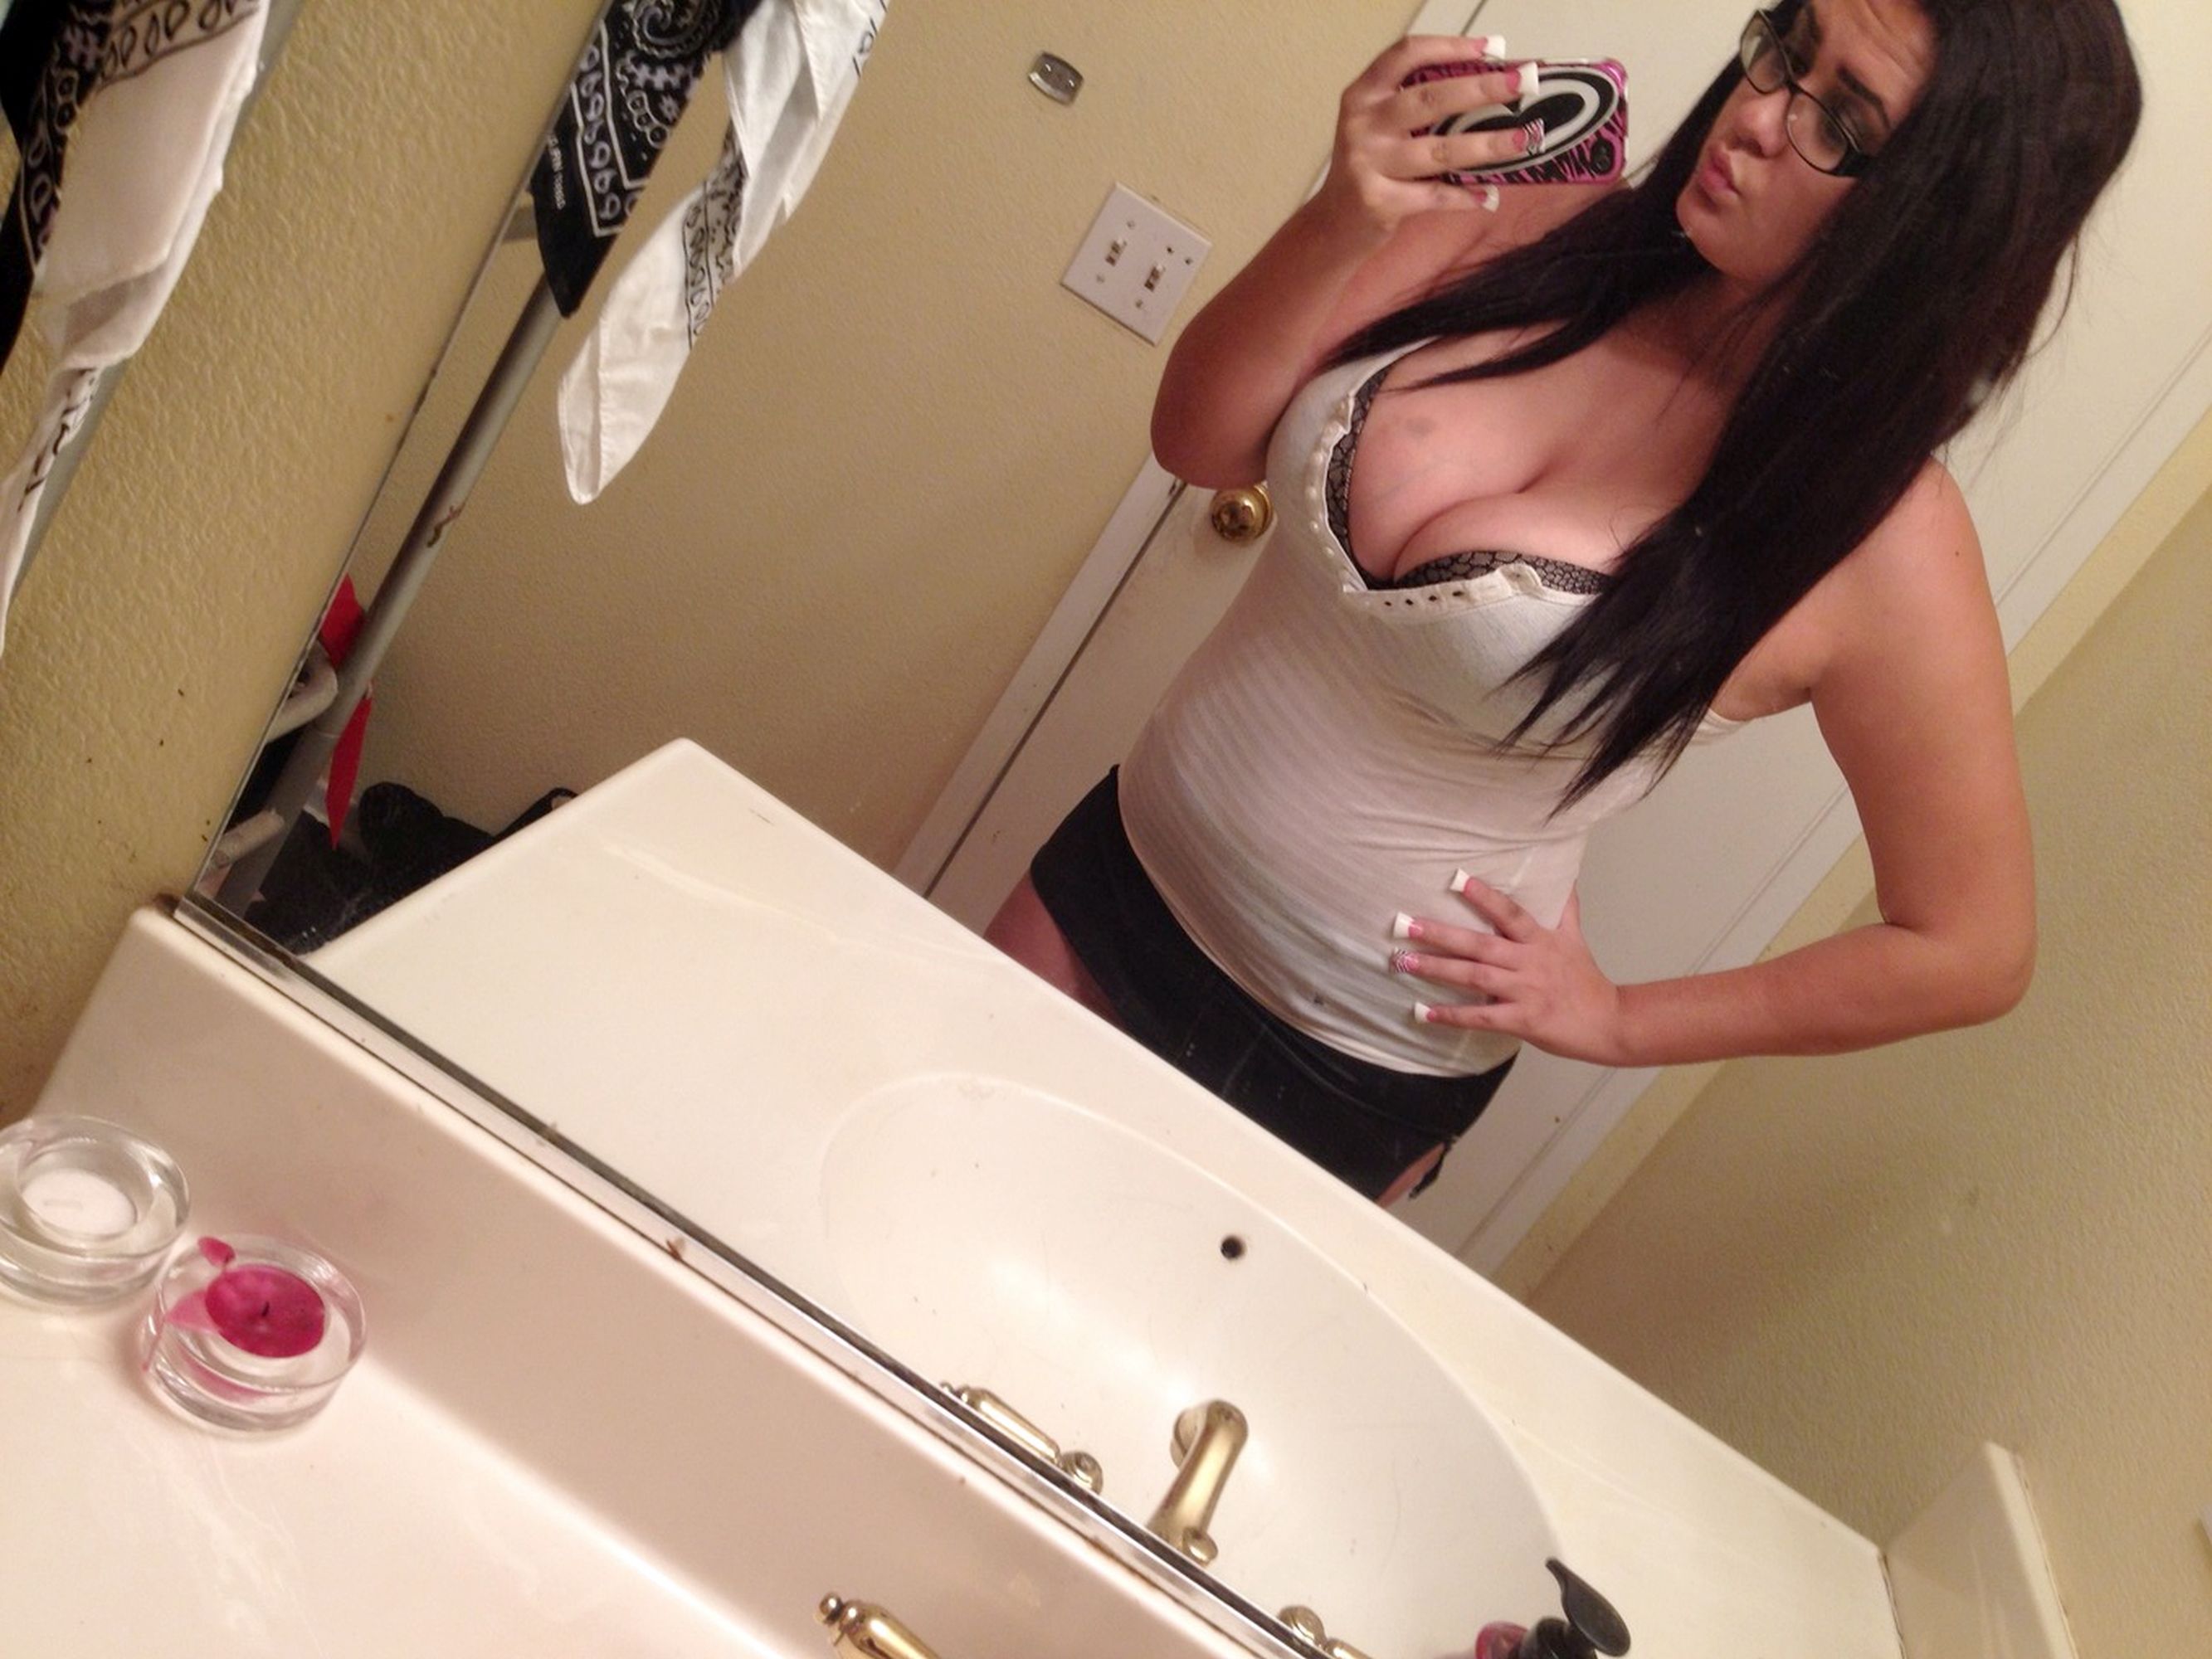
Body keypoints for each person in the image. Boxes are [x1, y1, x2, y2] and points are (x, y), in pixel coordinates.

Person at [987, 0, 2142, 1205]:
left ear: (1945, 226)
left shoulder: (1880, 537)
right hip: (1114, 873)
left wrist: (1619, 1023)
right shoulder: (1536, 211)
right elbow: (1198, 443)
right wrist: (1342, 213)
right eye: (1787, 51)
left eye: (1840, 126)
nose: (1755, 118)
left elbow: (1970, 946)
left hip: (1344, 1073)